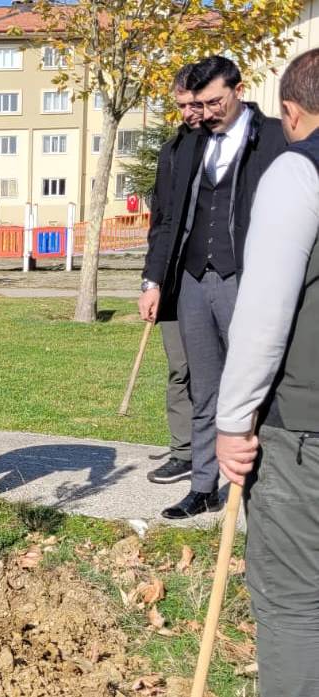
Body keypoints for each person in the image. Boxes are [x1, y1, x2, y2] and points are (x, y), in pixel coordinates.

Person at [138, 56, 287, 519]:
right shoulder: (184, 148)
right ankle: (202, 485)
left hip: (249, 280)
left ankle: (263, 491)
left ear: (238, 90)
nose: (203, 112)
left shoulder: (278, 139)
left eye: (213, 101)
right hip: (194, 283)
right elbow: (165, 223)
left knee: (259, 385)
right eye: (197, 103)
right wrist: (154, 279)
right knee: (205, 388)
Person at [216, 48, 319, 697]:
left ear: (290, 112)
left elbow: (263, 312)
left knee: (294, 602)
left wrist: (232, 420)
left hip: (304, 436)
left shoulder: (297, 171)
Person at [139, 64, 199, 485]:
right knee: (180, 367)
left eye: (197, 103)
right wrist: (152, 281)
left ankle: (215, 450)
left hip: (224, 281)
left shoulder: (242, 146)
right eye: (182, 105)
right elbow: (160, 221)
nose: (190, 112)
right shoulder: (172, 152)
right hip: (175, 283)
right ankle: (185, 450)